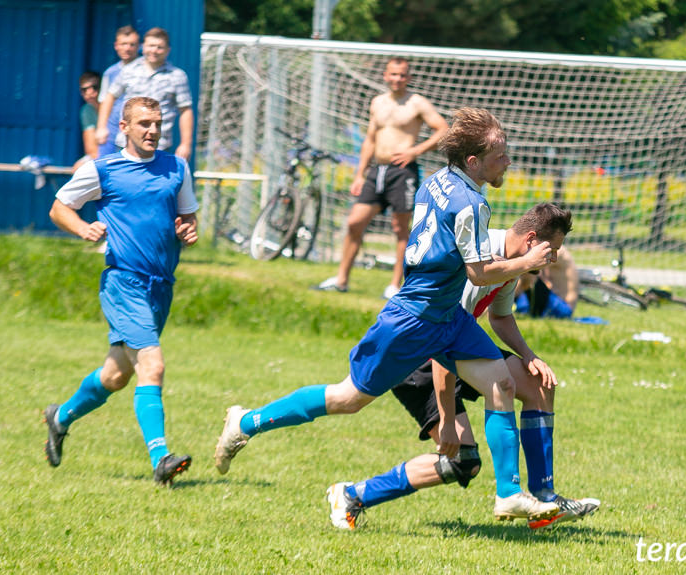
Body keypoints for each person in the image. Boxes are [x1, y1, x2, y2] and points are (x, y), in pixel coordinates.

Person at [216, 107, 560, 524]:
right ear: (473, 162)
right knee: (347, 399)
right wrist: (527, 264)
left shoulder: (438, 180)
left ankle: (508, 494)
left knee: (501, 383)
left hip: (447, 317)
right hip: (412, 319)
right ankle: (246, 422)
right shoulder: (472, 203)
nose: (508, 162)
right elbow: (478, 271)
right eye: (501, 155)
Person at [326, 205, 600, 531]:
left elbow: (500, 316)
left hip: (459, 350)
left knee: (539, 384)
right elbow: (443, 345)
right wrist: (446, 419)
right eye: (550, 251)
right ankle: (351, 494)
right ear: (530, 241)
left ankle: (545, 498)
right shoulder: (480, 261)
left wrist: (528, 355)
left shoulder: (512, 263)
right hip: (420, 360)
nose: (552, 260)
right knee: (462, 461)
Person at [43, 97, 199, 486]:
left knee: (115, 376)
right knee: (153, 364)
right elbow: (59, 207)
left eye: (158, 123)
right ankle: (161, 459)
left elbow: (187, 217)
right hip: (123, 282)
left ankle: (60, 417)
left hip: (160, 286)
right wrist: (83, 229)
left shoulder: (177, 168)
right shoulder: (104, 169)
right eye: (144, 123)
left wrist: (188, 230)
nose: (152, 130)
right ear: (123, 129)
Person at [315, 57, 448, 299]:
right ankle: (342, 279)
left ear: (409, 77)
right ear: (385, 76)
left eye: (402, 75)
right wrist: (360, 174)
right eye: (393, 74)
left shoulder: (416, 103)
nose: (397, 79)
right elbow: (370, 139)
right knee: (355, 222)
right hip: (377, 170)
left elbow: (443, 129)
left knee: (400, 229)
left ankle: (395, 285)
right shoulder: (377, 102)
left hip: (403, 172)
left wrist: (415, 151)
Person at [95, 27, 193, 160]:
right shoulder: (129, 70)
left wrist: (185, 144)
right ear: (143, 47)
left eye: (160, 47)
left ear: (168, 50)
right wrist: (101, 127)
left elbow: (185, 110)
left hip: (159, 144)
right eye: (151, 45)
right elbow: (110, 96)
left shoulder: (177, 76)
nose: (154, 50)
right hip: (126, 142)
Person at [98, 25, 141, 157]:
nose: (127, 48)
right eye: (123, 44)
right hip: (111, 133)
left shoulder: (143, 71)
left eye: (132, 44)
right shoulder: (110, 73)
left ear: (138, 46)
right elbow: (103, 101)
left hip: (133, 132)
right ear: (116, 46)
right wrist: (101, 128)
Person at [515, 244, 579, 318]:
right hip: (556, 301)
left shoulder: (559, 251)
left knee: (529, 274)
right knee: (528, 274)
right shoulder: (557, 249)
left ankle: (506, 304)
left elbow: (529, 269)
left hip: (564, 307)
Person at [72, 71, 101, 172]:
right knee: (78, 168)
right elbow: (91, 149)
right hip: (101, 156)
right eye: (84, 90)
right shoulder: (86, 110)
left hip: (119, 155)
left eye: (94, 87)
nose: (89, 92)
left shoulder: (115, 108)